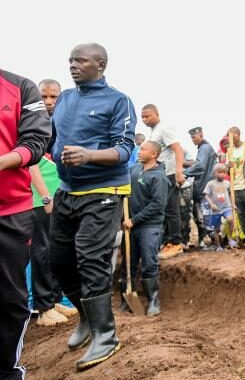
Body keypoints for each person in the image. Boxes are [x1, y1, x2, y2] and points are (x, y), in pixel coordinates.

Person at [50, 43, 135, 370]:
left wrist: (88, 155)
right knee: (58, 260)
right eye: (70, 59)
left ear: (99, 65)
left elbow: (125, 149)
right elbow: (53, 139)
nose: (73, 65)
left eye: (80, 60)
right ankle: (86, 317)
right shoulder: (66, 99)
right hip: (67, 191)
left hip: (104, 189)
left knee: (89, 256)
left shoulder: (118, 101)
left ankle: (106, 334)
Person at [0, 69, 50, 380]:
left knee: (9, 297)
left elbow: (37, 139)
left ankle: (6, 371)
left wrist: (5, 160)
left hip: (9, 212)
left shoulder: (20, 88)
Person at [28, 79, 76, 327]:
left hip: (59, 194)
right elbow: (31, 161)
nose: (48, 102)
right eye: (44, 97)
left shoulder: (59, 123)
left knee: (57, 248)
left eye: (53, 97)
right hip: (40, 196)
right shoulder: (32, 122)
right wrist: (46, 195)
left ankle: (55, 297)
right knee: (42, 249)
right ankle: (43, 306)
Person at [121, 141, 168, 316]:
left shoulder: (159, 177)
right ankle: (126, 300)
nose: (139, 151)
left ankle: (153, 301)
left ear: (154, 154)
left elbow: (158, 204)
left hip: (149, 226)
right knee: (128, 264)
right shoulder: (133, 170)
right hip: (129, 226)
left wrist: (135, 220)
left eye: (143, 149)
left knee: (149, 263)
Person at [140, 104, 185, 259]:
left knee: (172, 210)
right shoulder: (153, 132)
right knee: (164, 209)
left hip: (170, 174)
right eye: (143, 117)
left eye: (148, 116)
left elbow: (178, 149)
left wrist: (179, 171)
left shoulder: (164, 129)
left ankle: (176, 243)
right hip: (160, 175)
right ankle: (167, 243)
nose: (145, 120)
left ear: (157, 114)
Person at [203, 164, 236, 250]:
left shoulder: (227, 183)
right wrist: (211, 204)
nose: (222, 174)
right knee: (217, 229)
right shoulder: (210, 184)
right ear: (214, 173)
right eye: (220, 172)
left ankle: (231, 239)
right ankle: (218, 246)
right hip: (216, 209)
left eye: (224, 172)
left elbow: (231, 194)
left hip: (226, 207)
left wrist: (233, 204)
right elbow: (206, 196)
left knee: (230, 219)